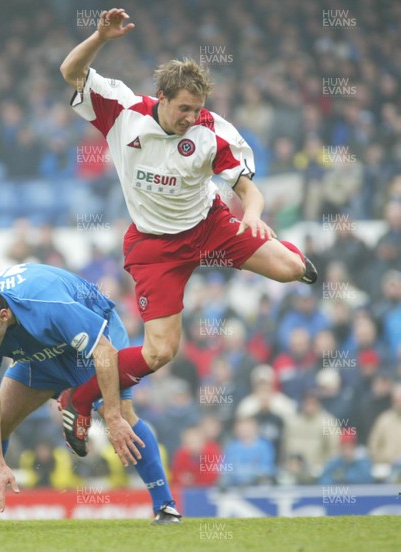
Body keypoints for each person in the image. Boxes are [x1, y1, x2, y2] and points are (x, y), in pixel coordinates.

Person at [57, 8, 317, 451]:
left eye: (197, 109)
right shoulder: (122, 110)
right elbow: (70, 71)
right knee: (160, 353)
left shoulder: (211, 131)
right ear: (160, 96)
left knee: (293, 270)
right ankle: (79, 398)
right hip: (156, 247)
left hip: (210, 227)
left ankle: (286, 253)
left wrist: (252, 214)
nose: (191, 117)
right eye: (183, 108)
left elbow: (249, 189)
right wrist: (100, 37)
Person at [0, 263, 180, 528]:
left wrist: (111, 415)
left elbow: (104, 353)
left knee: (122, 416)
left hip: (94, 344)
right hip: (37, 354)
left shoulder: (47, 303)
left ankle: (166, 508)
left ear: (4, 315)